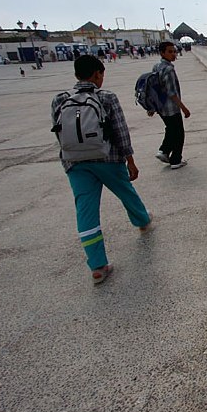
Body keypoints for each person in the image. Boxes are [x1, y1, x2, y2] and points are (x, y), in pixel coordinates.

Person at [50, 54, 152, 285]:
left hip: (76, 163)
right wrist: (130, 160)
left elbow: (58, 132)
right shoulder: (107, 98)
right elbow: (120, 131)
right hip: (107, 159)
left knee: (86, 213)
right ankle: (142, 221)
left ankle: (98, 266)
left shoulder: (59, 99)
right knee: (126, 192)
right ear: (98, 74)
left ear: (76, 75)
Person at [151, 41, 191, 170]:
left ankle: (164, 151)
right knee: (179, 134)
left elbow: (154, 89)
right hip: (171, 108)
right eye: (170, 52)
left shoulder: (156, 67)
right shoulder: (169, 69)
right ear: (162, 53)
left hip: (161, 107)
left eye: (174, 51)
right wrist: (184, 108)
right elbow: (172, 93)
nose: (174, 54)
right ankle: (175, 160)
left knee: (171, 129)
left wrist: (152, 106)